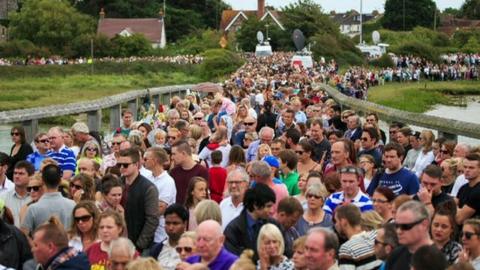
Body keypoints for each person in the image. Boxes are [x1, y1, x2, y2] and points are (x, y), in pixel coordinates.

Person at [118, 147, 159, 253]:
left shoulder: (148, 188)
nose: (122, 168)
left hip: (139, 246)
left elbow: (152, 219)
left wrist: (139, 246)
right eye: (119, 165)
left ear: (136, 165)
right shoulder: (117, 184)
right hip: (118, 242)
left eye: (125, 165)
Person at [224, 183, 279, 261]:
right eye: (268, 206)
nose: (272, 210)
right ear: (255, 205)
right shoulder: (233, 229)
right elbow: (232, 259)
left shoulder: (274, 225)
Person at [22, 164, 76, 235]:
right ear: (60, 181)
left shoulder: (33, 208)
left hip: (41, 244)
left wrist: (34, 244)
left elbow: (23, 234)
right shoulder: (72, 205)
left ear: (43, 181)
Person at [384, 201, 433, 270]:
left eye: (405, 226)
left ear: (424, 224)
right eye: (397, 226)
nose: (399, 231)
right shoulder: (395, 255)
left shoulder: (438, 259)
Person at [143, 146, 177, 245]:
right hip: (146, 230)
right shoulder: (146, 177)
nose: (143, 161)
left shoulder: (168, 181)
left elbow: (160, 208)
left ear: (155, 161)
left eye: (146, 159)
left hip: (159, 234)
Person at [334, 204, 382, 269]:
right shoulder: (376, 235)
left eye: (336, 221)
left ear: (343, 222)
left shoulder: (347, 249)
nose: (335, 225)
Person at [152, 204, 188, 270]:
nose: (171, 228)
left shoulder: (190, 249)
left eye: (175, 223)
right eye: (167, 223)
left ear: (185, 223)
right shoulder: (157, 249)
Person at [0, 161, 33, 226]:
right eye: (15, 173)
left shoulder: (35, 198)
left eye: (21, 174)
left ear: (30, 176)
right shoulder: (3, 197)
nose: (17, 176)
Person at [456, 154, 480, 225]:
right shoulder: (463, 187)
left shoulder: (478, 192)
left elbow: (459, 219)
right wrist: (459, 210)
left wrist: (457, 210)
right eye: (465, 167)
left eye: (471, 168)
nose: (467, 170)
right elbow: (450, 207)